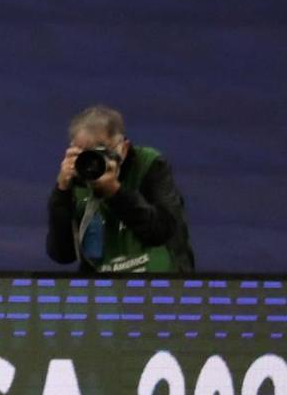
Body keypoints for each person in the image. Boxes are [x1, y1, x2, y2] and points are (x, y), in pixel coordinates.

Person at [47, 105, 194, 273]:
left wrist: (115, 192)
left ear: (123, 148)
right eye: (84, 153)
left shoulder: (149, 164)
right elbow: (62, 255)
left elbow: (163, 232)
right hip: (103, 286)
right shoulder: (76, 177)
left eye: (100, 151)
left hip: (159, 282)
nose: (92, 161)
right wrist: (61, 191)